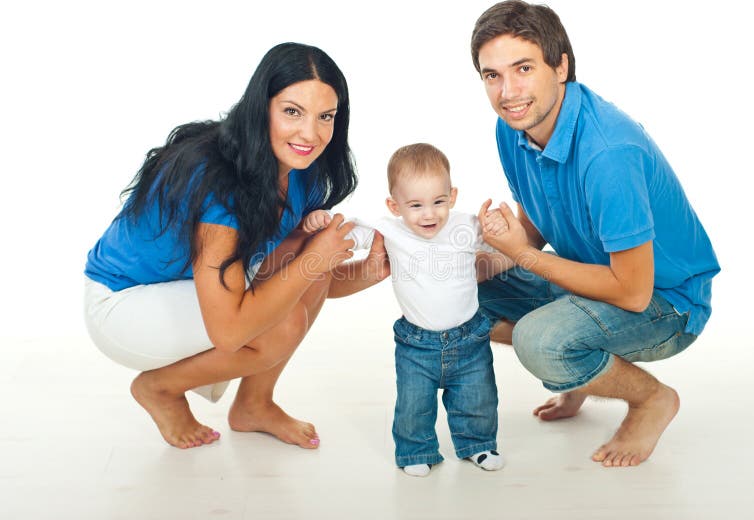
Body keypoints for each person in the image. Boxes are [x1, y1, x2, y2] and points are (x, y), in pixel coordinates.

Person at [83, 42, 389, 450]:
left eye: (325, 117)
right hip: (123, 303)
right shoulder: (217, 182)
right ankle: (158, 389)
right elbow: (229, 333)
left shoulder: (302, 172)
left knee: (304, 264)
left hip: (192, 288)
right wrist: (315, 256)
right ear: (261, 107)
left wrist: (369, 271)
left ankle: (253, 406)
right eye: (292, 111)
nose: (310, 134)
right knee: (283, 321)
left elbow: (308, 280)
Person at [470, 1, 720, 468]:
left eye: (523, 68)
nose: (508, 92)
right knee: (457, 293)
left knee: (539, 342)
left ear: (560, 65)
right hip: (591, 280)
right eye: (492, 75)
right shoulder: (514, 128)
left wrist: (521, 256)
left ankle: (651, 400)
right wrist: (484, 260)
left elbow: (632, 291)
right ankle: (576, 375)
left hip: (665, 304)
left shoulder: (609, 153)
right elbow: (541, 217)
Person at [303, 143, 508, 477]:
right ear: (394, 205)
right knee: (414, 403)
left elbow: (501, 244)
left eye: (438, 202)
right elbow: (345, 234)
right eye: (415, 205)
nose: (429, 214)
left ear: (452, 196)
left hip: (469, 338)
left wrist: (496, 226)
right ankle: (416, 449)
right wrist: (320, 220)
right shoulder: (389, 229)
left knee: (478, 396)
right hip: (417, 344)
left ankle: (478, 443)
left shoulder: (465, 225)